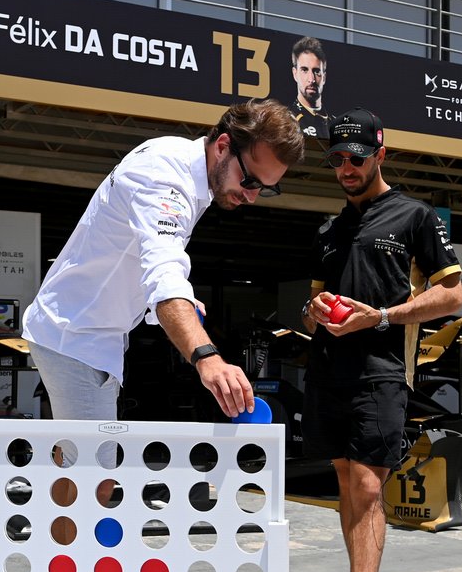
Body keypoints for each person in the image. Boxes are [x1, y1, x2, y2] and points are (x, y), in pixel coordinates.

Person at [22, 99, 305, 431]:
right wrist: (208, 360)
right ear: (224, 146)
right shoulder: (164, 183)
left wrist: (179, 301)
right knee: (95, 471)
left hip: (90, 328)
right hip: (74, 333)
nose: (252, 196)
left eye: (266, 189)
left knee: (77, 462)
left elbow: (142, 256)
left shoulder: (179, 158)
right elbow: (164, 275)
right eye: (251, 181)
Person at [300, 108, 462, 572]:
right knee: (347, 485)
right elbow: (312, 306)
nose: (345, 168)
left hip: (382, 370)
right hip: (328, 372)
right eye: (336, 159)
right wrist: (313, 312)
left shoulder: (415, 216)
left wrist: (384, 316)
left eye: (355, 158)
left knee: (369, 486)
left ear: (380, 154)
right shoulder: (327, 229)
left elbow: (453, 297)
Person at [290, 36, 329, 139]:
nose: (311, 79)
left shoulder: (336, 124)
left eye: (316, 71)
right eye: (304, 70)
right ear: (295, 74)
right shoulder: (287, 120)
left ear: (324, 77)